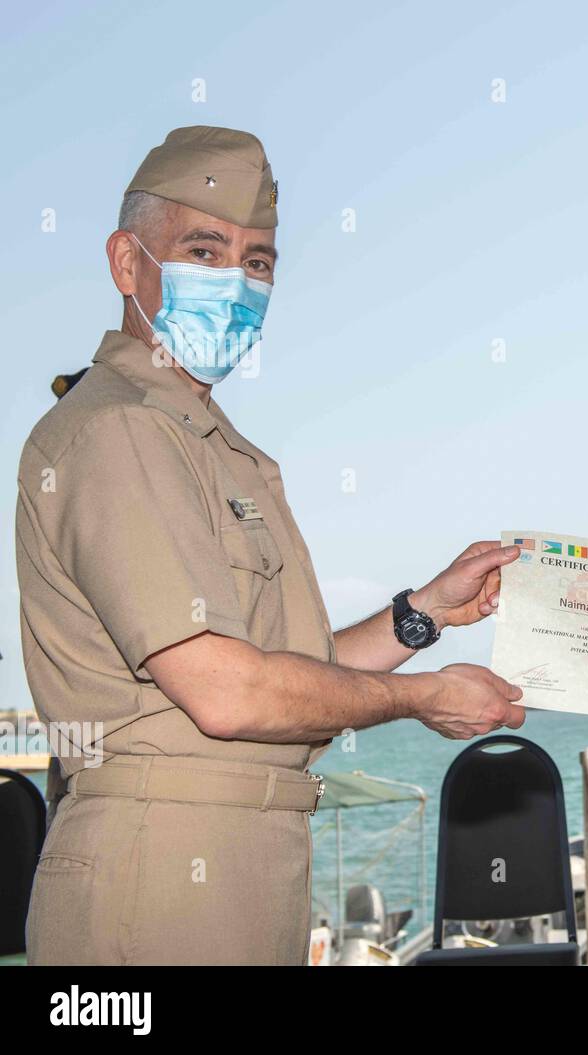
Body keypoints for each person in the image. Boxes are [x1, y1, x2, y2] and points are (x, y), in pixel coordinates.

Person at [16, 126, 526, 965]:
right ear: (126, 263)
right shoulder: (117, 433)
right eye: (205, 250)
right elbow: (227, 692)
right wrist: (423, 697)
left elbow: (291, 666)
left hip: (240, 862)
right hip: (163, 876)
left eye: (258, 264)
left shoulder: (205, 441)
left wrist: (423, 613)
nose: (237, 283)